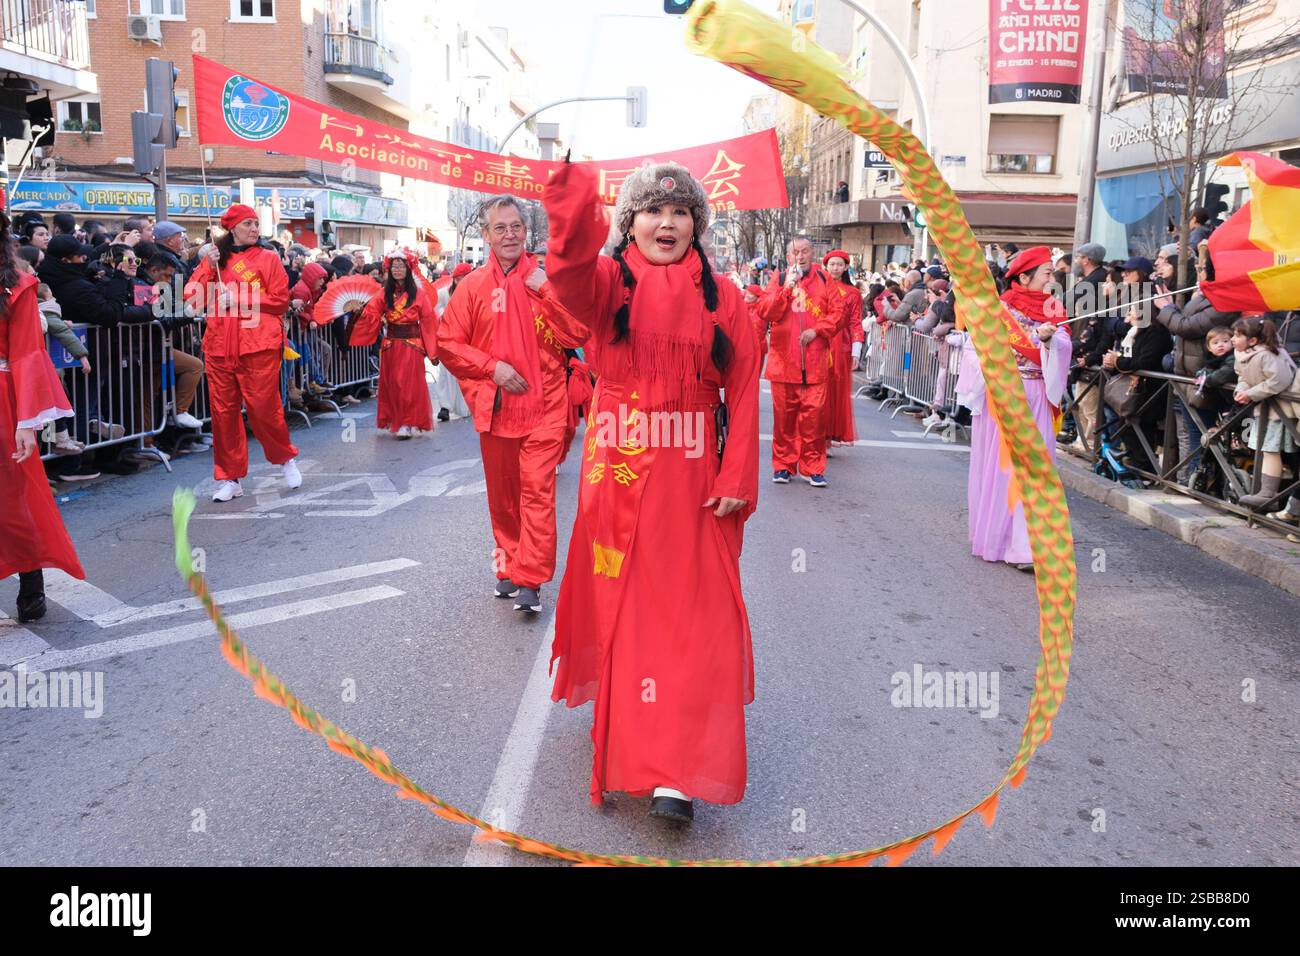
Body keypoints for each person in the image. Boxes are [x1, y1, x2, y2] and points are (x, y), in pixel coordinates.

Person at [543, 159, 759, 824]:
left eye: (681, 212)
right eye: (652, 211)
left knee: (696, 616)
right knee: (628, 611)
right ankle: (637, 743)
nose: (667, 223)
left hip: (693, 479)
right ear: (629, 222)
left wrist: (736, 476)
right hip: (619, 468)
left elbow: (746, 386)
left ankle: (676, 771)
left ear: (696, 223)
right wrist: (573, 214)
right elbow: (570, 280)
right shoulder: (610, 282)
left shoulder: (725, 297)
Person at [437, 196, 586, 614]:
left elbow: (577, 334)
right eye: (500, 228)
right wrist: (491, 368)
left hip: (547, 407)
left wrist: (548, 292)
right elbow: (449, 344)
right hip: (497, 406)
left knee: (536, 493)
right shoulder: (472, 288)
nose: (509, 234)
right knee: (504, 498)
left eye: (516, 226)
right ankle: (507, 562)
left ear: (526, 232)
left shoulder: (545, 280)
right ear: (486, 235)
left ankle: (531, 580)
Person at [956, 246, 1072, 571]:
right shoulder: (999, 309)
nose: (1053, 278)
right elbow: (975, 347)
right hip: (1005, 395)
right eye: (1047, 273)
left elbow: (1065, 347)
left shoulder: (1054, 308)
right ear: (1024, 276)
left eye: (1053, 272)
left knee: (1035, 470)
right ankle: (1003, 539)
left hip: (1037, 394)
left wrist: (1050, 342)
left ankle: (1027, 546)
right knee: (1004, 469)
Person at [0, 213, 86, 621]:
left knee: (14, 497)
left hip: (4, 400)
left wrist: (26, 422)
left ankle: (30, 578)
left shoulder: (17, 282)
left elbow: (28, 353)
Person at [183, 204, 300, 502]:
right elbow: (191, 297)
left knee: (263, 408)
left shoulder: (268, 258)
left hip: (257, 343)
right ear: (232, 228)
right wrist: (208, 266)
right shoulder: (216, 259)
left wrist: (239, 296)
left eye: (256, 223)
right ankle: (229, 477)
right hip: (220, 344)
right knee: (223, 413)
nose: (253, 229)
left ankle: (285, 457)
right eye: (247, 223)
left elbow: (279, 300)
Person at [755, 236, 837, 486]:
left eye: (804, 252)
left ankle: (813, 467)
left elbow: (838, 312)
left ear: (812, 253)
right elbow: (766, 311)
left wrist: (818, 330)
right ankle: (783, 466)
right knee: (784, 420)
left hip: (815, 363)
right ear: (788, 256)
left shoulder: (824, 279)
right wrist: (786, 288)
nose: (800, 257)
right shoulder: (779, 279)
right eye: (795, 252)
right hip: (784, 362)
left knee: (814, 420)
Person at [348, 249, 438, 438]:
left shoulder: (419, 295)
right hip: (390, 345)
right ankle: (398, 419)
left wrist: (433, 350)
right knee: (393, 383)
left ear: (408, 268)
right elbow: (372, 314)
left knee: (408, 384)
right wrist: (360, 312)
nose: (397, 270)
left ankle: (406, 421)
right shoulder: (383, 293)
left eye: (401, 266)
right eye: (394, 266)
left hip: (412, 345)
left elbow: (429, 320)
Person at [1232, 316, 1299, 511]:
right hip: (1265, 409)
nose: (1233, 340)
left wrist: (1251, 393)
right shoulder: (1242, 354)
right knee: (1265, 449)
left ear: (1252, 341)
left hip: (1280, 411)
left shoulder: (1269, 355)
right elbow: (1242, 376)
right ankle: (1267, 493)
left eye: (1237, 336)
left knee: (1269, 449)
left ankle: (1267, 494)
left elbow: (1279, 380)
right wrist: (1242, 389)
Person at [822, 249, 861, 445]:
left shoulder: (853, 293)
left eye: (839, 264)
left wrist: (856, 350)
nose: (835, 268)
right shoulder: (818, 288)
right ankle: (816, 435)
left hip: (841, 346)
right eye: (832, 264)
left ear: (846, 267)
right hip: (820, 341)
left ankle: (829, 436)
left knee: (836, 391)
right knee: (817, 390)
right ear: (826, 266)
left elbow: (856, 322)